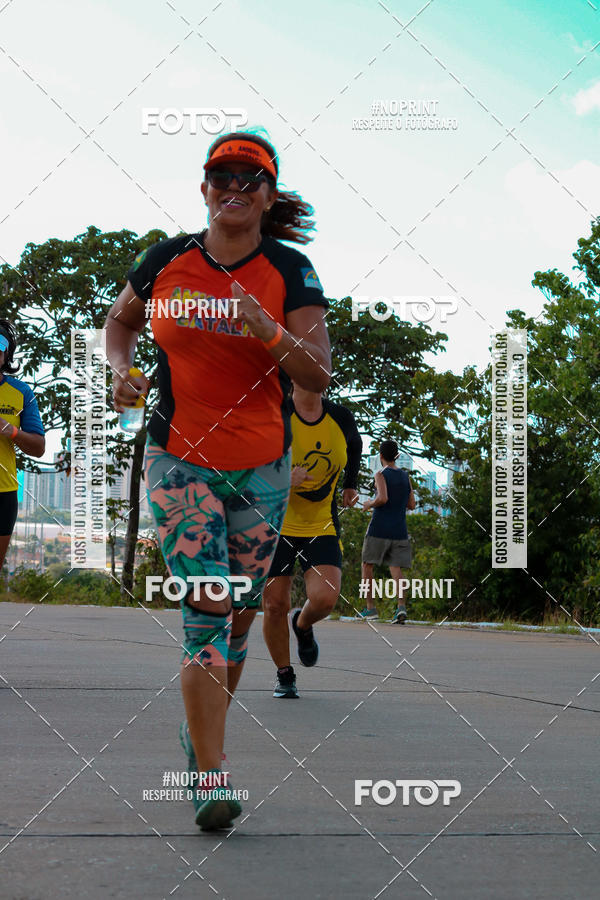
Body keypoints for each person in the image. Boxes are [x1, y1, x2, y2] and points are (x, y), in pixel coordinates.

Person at [105, 131, 331, 831]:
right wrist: (120, 370)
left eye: (250, 178)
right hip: (178, 458)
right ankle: (208, 773)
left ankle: (201, 742)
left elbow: (317, 375)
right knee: (206, 608)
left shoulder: (290, 270)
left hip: (262, 469)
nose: (234, 187)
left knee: (236, 619)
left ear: (268, 193)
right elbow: (118, 324)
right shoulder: (167, 259)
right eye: (221, 176)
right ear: (204, 187)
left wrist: (268, 328)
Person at [262, 385, 362, 698]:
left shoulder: (340, 417)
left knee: (325, 599)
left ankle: (303, 626)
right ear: (292, 376)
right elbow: (249, 467)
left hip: (321, 521)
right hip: (276, 522)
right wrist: (281, 477)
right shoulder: (276, 414)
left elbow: (355, 444)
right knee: (275, 603)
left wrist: (351, 483)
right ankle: (285, 674)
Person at [0, 320, 45, 571]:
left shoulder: (21, 392)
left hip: (3, 492)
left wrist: (11, 430)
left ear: (6, 354)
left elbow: (38, 447)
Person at [360, 440, 415, 623]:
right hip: (399, 529)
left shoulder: (380, 474)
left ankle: (371, 609)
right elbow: (412, 504)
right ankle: (401, 608)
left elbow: (382, 498)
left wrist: (369, 503)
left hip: (379, 528)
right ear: (396, 456)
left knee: (367, 565)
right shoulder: (405, 476)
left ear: (381, 456)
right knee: (396, 568)